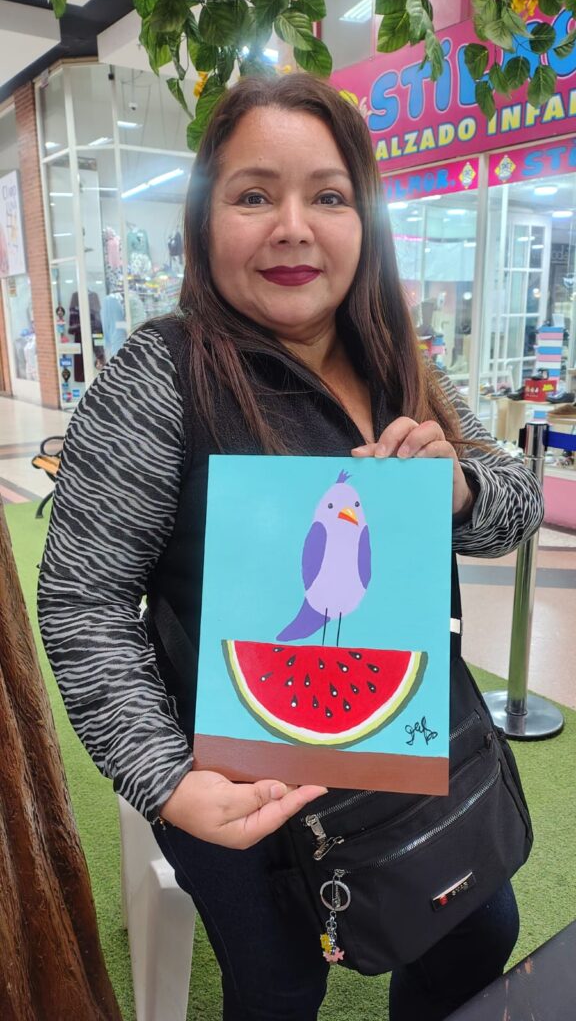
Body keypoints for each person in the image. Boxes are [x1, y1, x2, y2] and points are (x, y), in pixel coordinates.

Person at [38, 74, 544, 1020]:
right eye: (254, 195)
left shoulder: (404, 361)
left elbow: (515, 507)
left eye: (329, 196)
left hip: (410, 733)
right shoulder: (158, 378)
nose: (293, 228)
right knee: (278, 990)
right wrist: (169, 781)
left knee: (480, 931)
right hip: (236, 782)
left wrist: (464, 489)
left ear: (365, 221)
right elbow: (83, 600)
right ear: (205, 221)